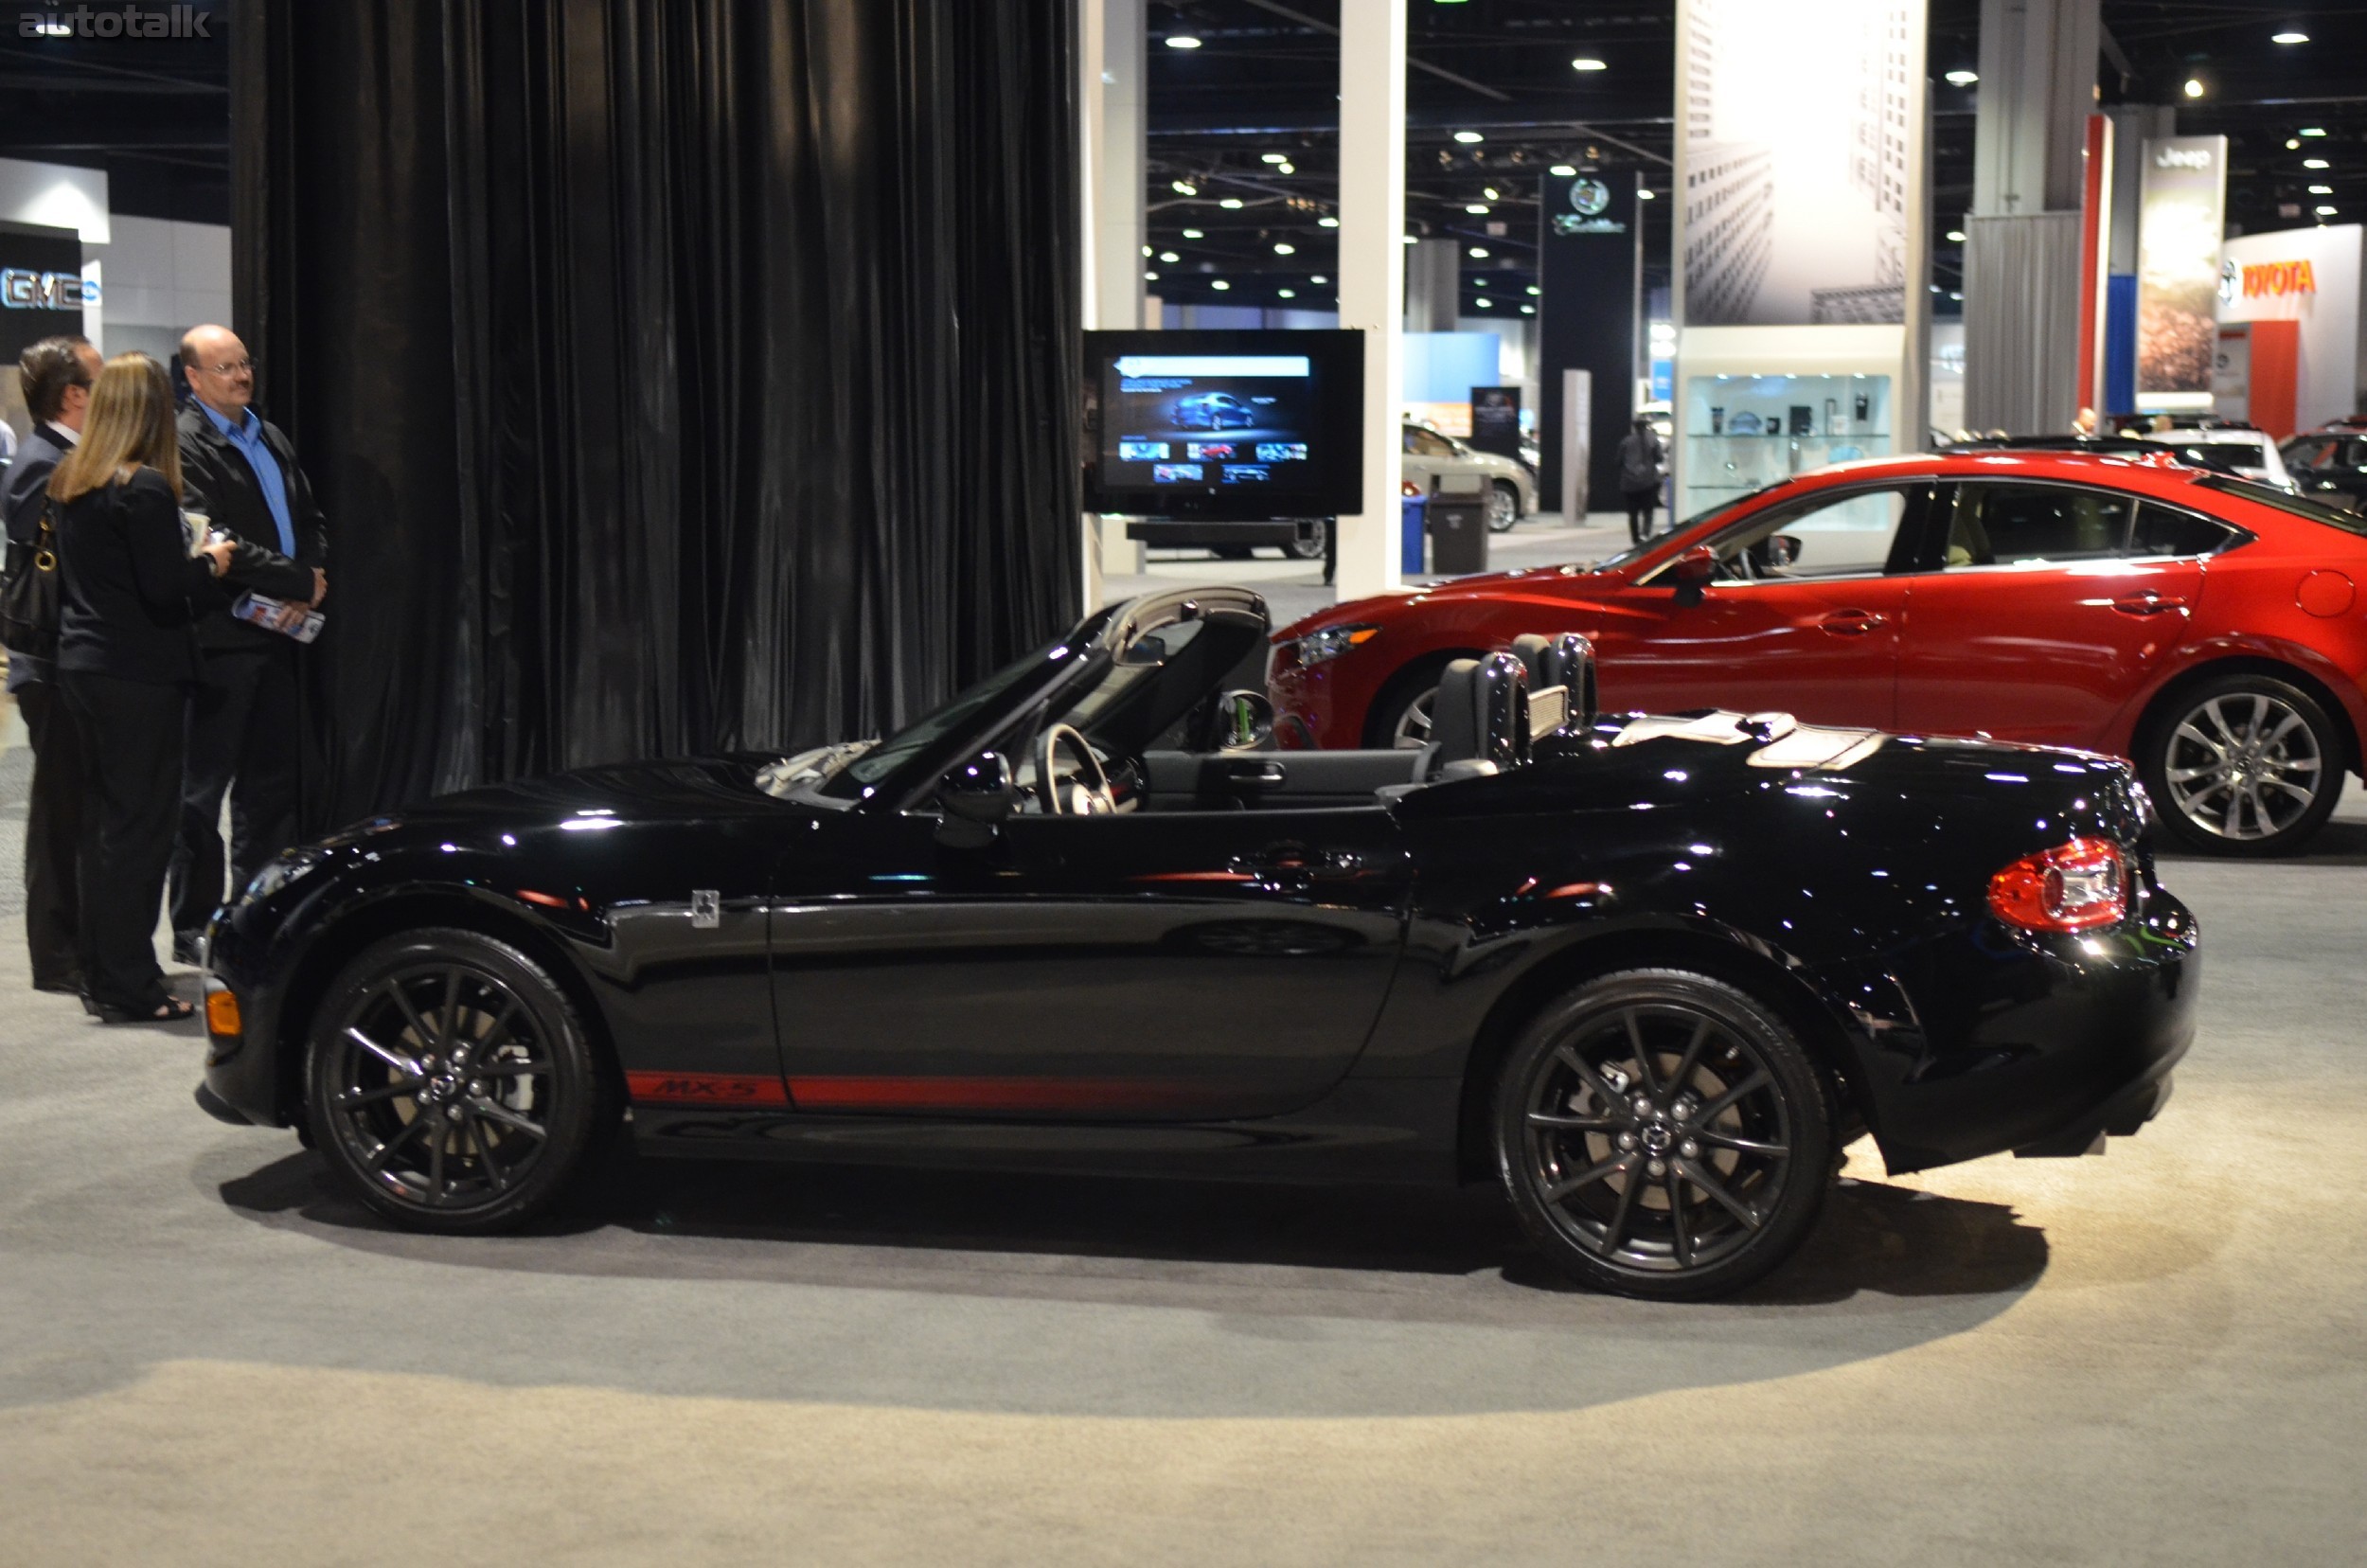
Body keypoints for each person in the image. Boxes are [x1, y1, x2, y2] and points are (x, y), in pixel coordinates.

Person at [50, 353, 287, 1021]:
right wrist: (212, 561)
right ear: (152, 407)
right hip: (140, 677)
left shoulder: (74, 479)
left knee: (109, 831)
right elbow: (165, 590)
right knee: (140, 833)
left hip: (85, 668)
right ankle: (129, 986)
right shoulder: (145, 487)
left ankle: (104, 973)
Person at [171, 324, 329, 963]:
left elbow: (311, 518)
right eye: (226, 367)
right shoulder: (184, 443)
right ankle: (193, 925)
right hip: (220, 642)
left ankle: (255, 917)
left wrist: (312, 578)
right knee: (201, 793)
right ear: (193, 378)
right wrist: (296, 579)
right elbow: (216, 541)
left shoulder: (270, 436)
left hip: (279, 635)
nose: (242, 376)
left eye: (244, 363)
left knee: (269, 789)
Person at [4, 335, 101, 992]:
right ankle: (58, 955)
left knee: (73, 810)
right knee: (59, 817)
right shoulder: (44, 462)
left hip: (61, 661)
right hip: (51, 662)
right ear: (73, 396)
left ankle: (75, 947)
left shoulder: (55, 456)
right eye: (99, 383)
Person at [1616, 415, 1666, 543]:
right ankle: (1645, 534)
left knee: (1632, 513)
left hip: (1629, 483)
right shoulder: (1653, 440)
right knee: (1648, 511)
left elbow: (1618, 461)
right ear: (1647, 426)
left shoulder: (1626, 441)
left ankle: (1635, 539)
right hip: (1648, 482)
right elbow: (1659, 458)